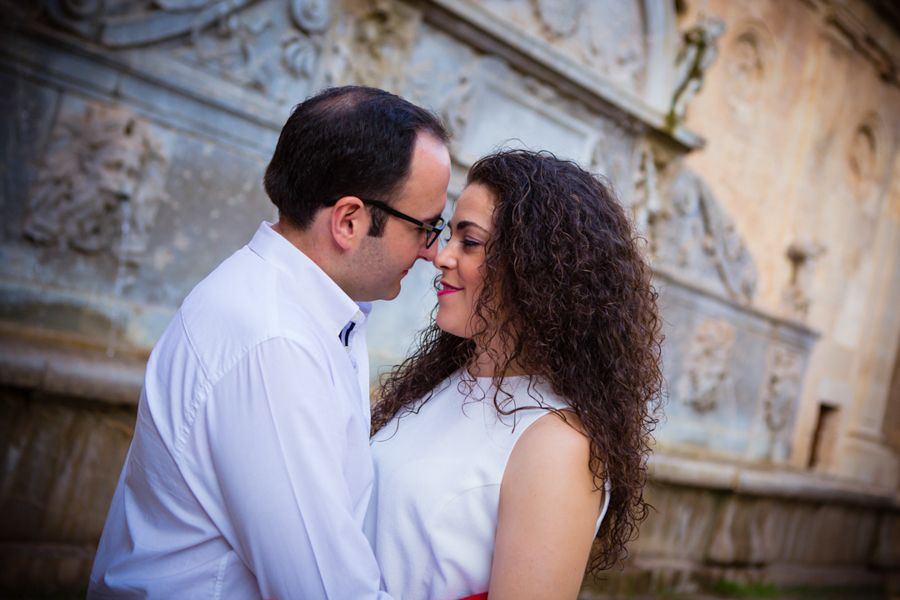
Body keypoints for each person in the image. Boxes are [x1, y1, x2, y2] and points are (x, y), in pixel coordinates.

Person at [88, 86, 451, 599]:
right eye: (426, 227)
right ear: (350, 220)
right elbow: (324, 591)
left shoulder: (299, 307)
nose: (435, 253)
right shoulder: (275, 344)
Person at [365, 150, 664, 600]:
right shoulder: (437, 385)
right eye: (448, 236)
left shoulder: (557, 444)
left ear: (536, 267)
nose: (440, 257)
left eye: (469, 242)